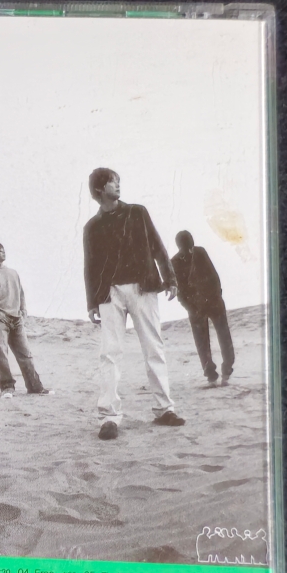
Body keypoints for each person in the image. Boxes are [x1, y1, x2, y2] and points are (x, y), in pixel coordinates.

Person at [83, 168, 185, 440]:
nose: (117, 185)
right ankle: (109, 417)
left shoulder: (137, 212)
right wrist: (92, 302)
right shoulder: (92, 227)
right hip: (110, 294)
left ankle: (164, 409)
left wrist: (170, 278)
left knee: (153, 347)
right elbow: (90, 265)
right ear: (100, 188)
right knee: (110, 353)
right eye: (112, 182)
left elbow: (157, 246)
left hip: (143, 287)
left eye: (117, 181)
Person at [0, 242, 47, 398]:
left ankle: (35, 387)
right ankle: (7, 388)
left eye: (3, 250)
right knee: (1, 354)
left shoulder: (13, 273)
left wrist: (23, 310)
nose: (3, 253)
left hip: (16, 319)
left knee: (25, 354)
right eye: (0, 251)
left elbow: (21, 293)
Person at [171, 230, 236, 385]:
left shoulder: (198, 253)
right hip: (197, 306)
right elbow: (180, 290)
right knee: (204, 342)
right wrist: (190, 307)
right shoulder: (176, 261)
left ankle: (225, 371)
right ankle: (213, 375)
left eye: (190, 247)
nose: (189, 251)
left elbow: (213, 276)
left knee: (222, 337)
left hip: (212, 301)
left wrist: (216, 296)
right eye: (186, 247)